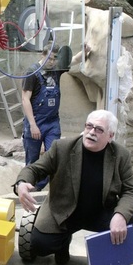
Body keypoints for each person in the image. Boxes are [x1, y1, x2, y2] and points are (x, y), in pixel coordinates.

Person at [13, 109, 133, 265]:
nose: (91, 132)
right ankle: (63, 244)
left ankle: (108, 263)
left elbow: (130, 191)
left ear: (110, 136)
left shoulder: (121, 155)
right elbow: (34, 169)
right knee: (40, 245)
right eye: (89, 126)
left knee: (131, 223)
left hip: (100, 211)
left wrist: (119, 215)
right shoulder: (62, 147)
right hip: (64, 210)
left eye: (98, 129)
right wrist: (23, 182)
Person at [21, 42, 89, 190]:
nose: (52, 62)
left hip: (52, 122)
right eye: (49, 58)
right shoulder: (32, 72)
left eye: (54, 59)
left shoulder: (56, 69)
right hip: (35, 122)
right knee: (32, 161)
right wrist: (32, 125)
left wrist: (83, 51)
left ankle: (43, 187)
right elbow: (25, 99)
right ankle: (29, 189)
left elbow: (72, 61)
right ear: (43, 55)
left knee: (54, 156)